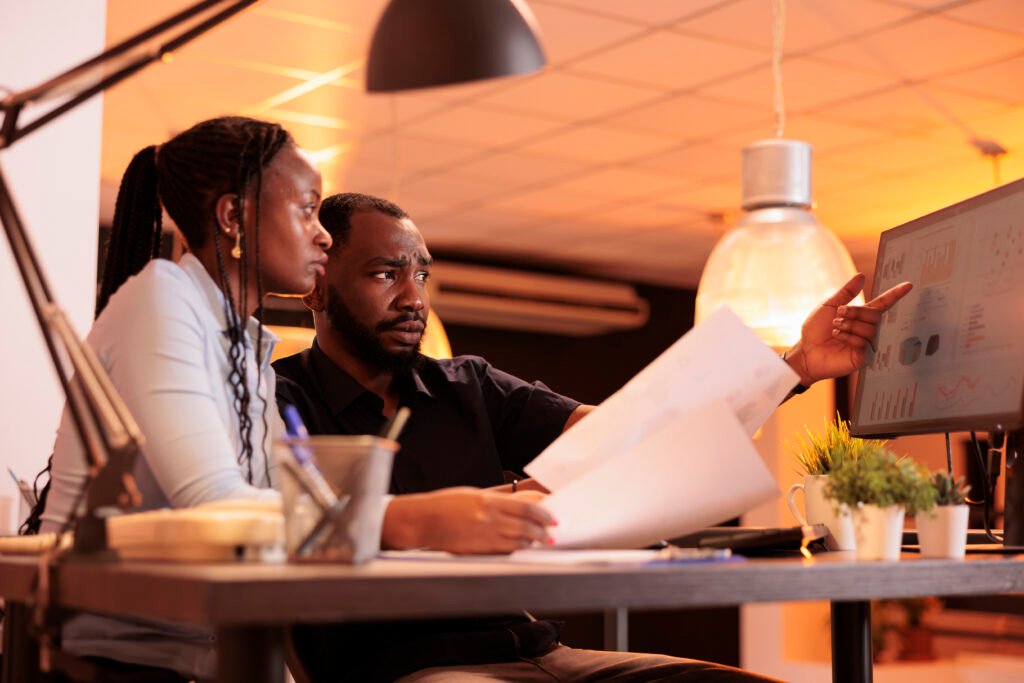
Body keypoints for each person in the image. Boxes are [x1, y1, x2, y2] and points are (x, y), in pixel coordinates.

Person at [274, 192, 913, 682]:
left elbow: (625, 431)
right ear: (318, 285)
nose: (415, 296)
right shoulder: (278, 400)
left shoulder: (466, 384)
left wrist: (796, 365)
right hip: (402, 667)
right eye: (387, 274)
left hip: (534, 648)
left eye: (423, 274)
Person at [34, 116, 333, 681]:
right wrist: (399, 521)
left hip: (210, 655)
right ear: (232, 216)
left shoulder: (244, 348)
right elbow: (215, 506)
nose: (324, 234)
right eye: (307, 208)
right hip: (116, 662)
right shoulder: (161, 300)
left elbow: (283, 511)